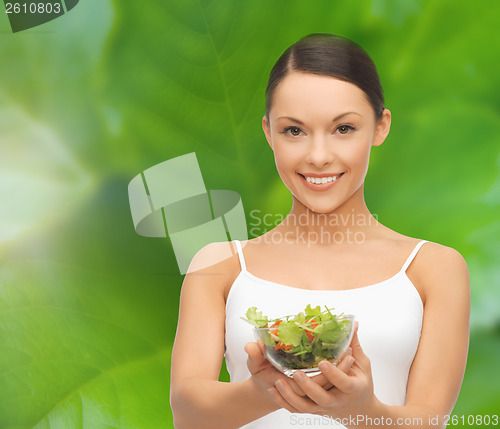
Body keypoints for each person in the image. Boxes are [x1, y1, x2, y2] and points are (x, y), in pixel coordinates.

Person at [169, 33, 470, 429]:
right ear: (268, 132)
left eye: (343, 129)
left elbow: (429, 422)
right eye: (294, 131)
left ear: (380, 127)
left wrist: (360, 410)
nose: (318, 156)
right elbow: (187, 413)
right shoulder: (220, 264)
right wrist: (262, 391)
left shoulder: (435, 268)